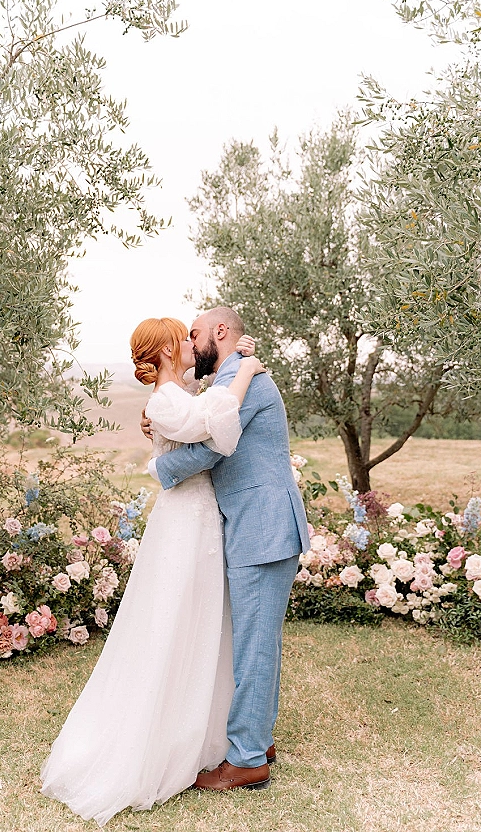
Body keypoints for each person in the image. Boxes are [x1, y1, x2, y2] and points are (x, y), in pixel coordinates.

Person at [40, 317, 264, 825]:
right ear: (164, 351)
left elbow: (208, 394)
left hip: (202, 521)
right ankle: (155, 742)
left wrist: (239, 354)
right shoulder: (166, 402)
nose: (191, 343)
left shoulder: (176, 394)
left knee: (204, 625)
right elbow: (222, 429)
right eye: (183, 339)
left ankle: (201, 734)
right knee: (172, 623)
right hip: (184, 526)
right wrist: (247, 369)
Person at [146, 306, 311, 792]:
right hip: (257, 526)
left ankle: (246, 760)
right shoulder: (233, 376)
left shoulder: (247, 380)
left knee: (255, 646)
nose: (188, 342)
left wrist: (162, 465)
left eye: (193, 333)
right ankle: (257, 739)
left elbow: (214, 446)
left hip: (262, 528)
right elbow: (202, 422)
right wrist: (161, 426)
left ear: (220, 332)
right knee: (257, 642)